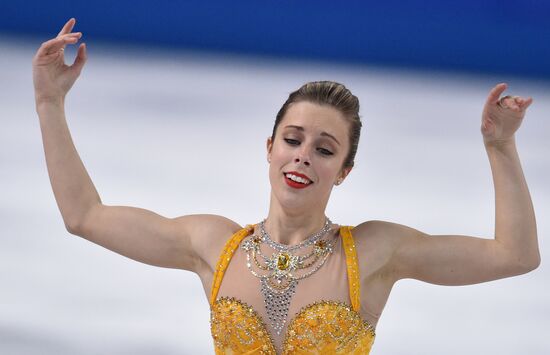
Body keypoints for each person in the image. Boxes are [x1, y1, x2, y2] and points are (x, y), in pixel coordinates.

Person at [33, 18, 540, 354]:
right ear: (270, 147)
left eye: (324, 149)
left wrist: (501, 149)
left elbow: (514, 255)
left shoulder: (374, 251)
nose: (302, 155)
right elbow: (85, 216)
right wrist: (49, 105)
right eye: (293, 139)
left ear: (343, 171)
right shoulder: (214, 245)